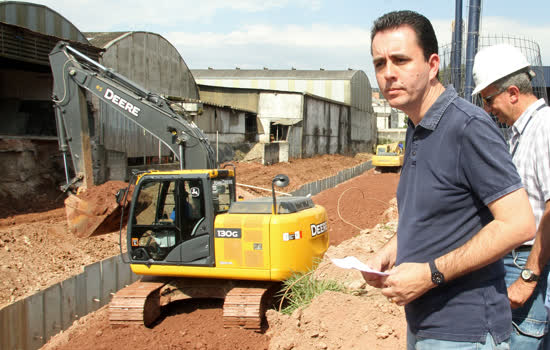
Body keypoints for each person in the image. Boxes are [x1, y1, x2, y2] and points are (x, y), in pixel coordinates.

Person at [362, 10, 536, 349]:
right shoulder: (417, 127)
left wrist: (429, 275)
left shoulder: (467, 127)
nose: (388, 74)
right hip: (426, 325)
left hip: (465, 332)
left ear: (432, 65)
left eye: (400, 60)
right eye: (380, 64)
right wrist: (389, 251)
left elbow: (519, 224)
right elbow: (433, 216)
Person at [473, 43, 550, 349]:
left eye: (489, 100)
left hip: (528, 261)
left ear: (514, 93)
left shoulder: (543, 129)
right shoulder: (523, 132)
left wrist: (528, 278)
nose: (487, 109)